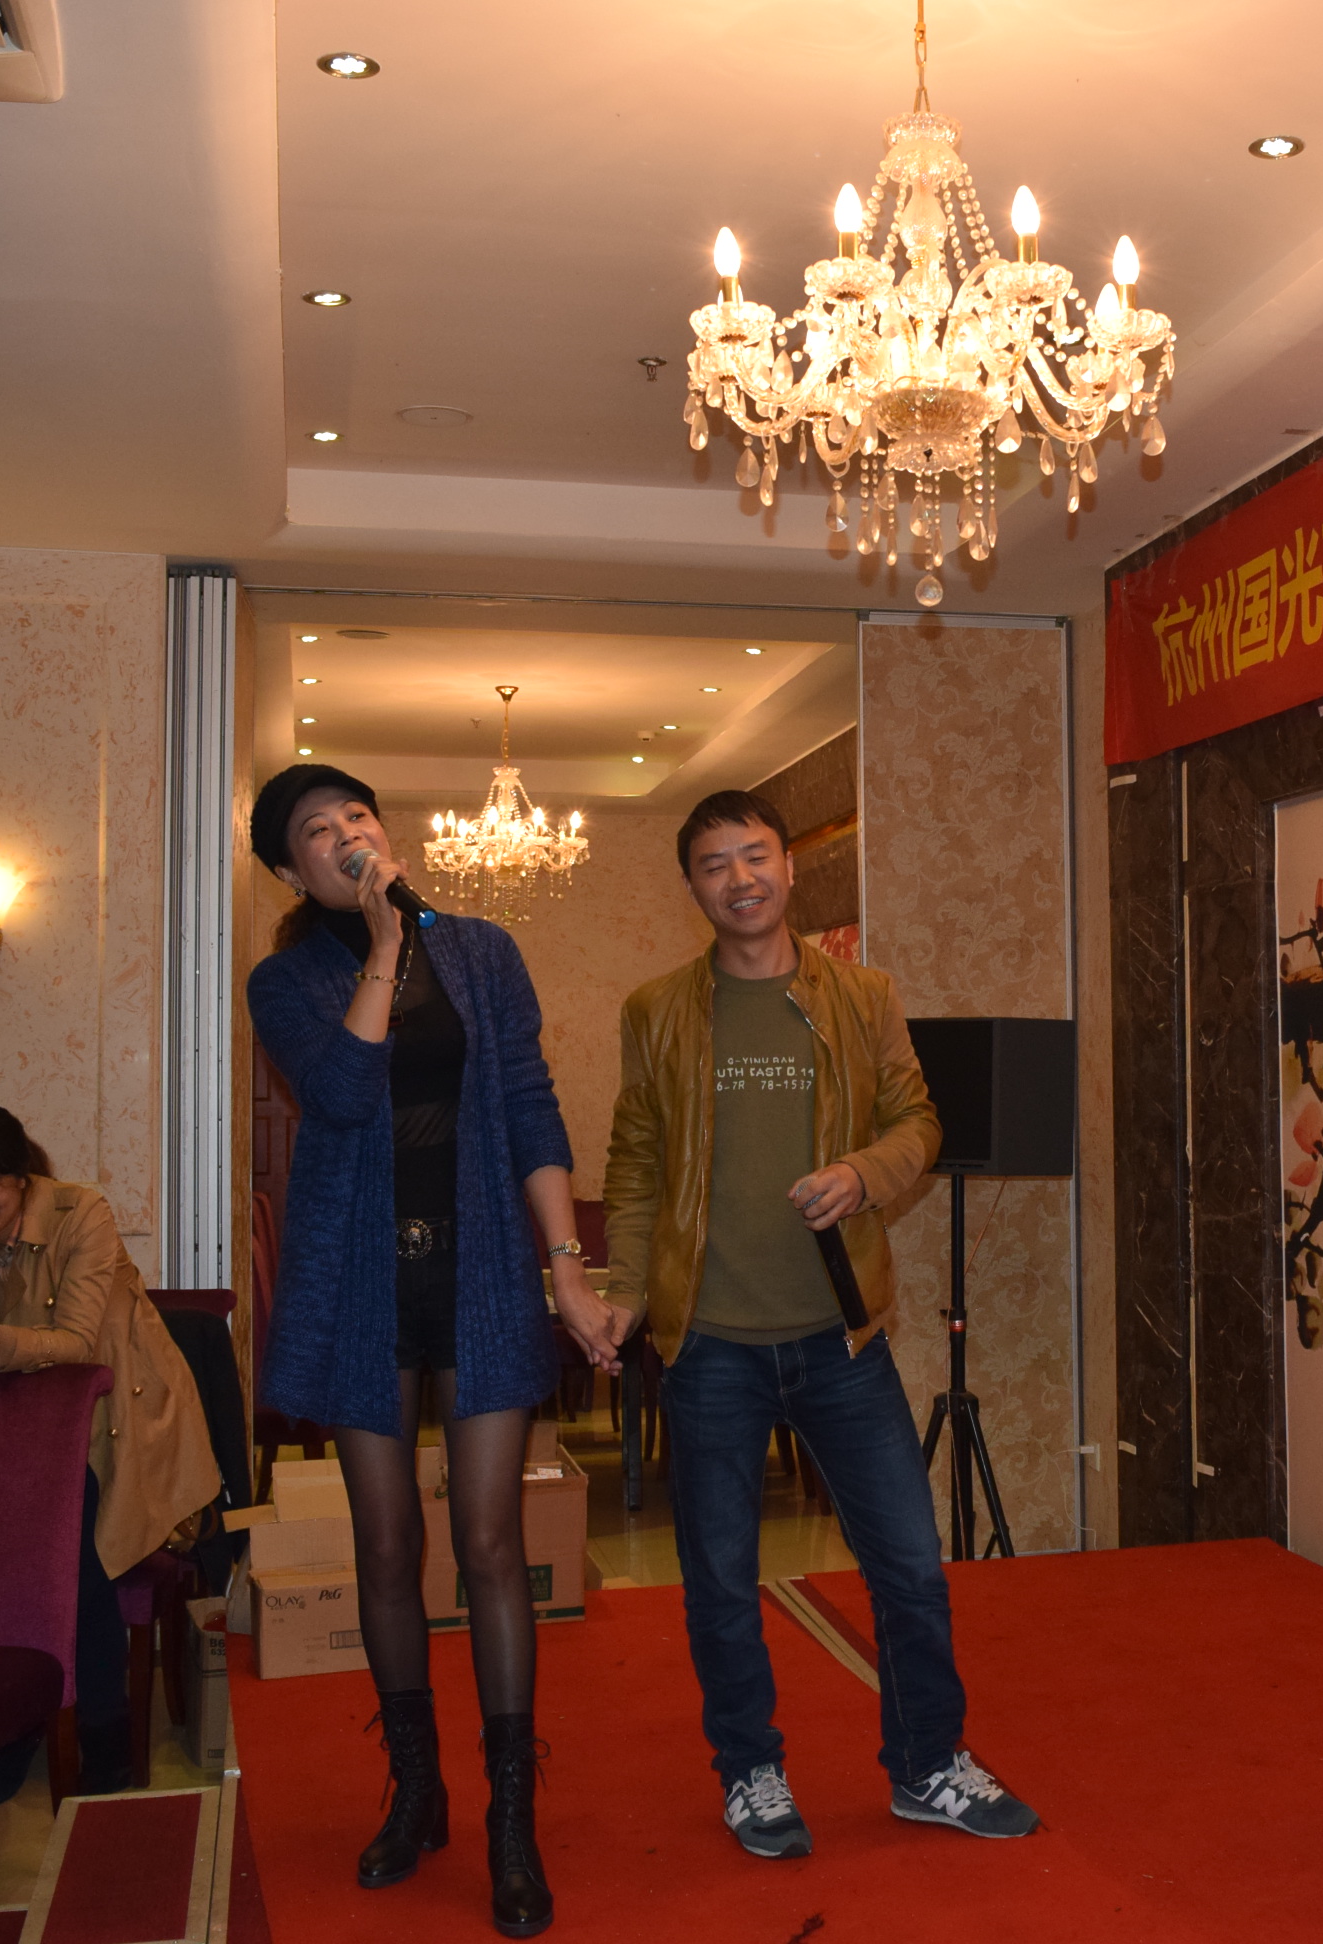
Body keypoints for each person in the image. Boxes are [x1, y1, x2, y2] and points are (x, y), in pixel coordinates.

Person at [601, 790, 1038, 1860]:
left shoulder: (862, 995)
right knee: (719, 1580)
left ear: (789, 868)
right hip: (709, 1343)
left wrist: (862, 1173)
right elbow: (637, 1161)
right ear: (694, 886)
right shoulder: (657, 1009)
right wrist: (625, 1287)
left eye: (755, 855)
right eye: (715, 864)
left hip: (841, 1340)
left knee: (910, 1568)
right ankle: (750, 1772)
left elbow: (918, 1120)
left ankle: (927, 1764)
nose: (739, 878)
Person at [246, 761, 620, 1939]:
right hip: (361, 1283)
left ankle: (511, 1815)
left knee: (492, 1539)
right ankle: (417, 1788)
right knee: (387, 1541)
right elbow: (341, 1093)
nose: (346, 836)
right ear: (291, 870)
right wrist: (378, 945)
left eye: (356, 816)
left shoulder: (481, 951)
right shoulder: (285, 979)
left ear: (384, 828)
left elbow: (531, 1104)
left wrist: (566, 1266)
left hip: (481, 1272)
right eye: (317, 831)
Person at [0, 1104, 218, 1802]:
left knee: (76, 1563)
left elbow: (79, 1343)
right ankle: (21, 1722)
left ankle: (104, 1743)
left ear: (21, 1178)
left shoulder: (83, 1213)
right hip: (27, 1431)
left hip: (120, 1419)